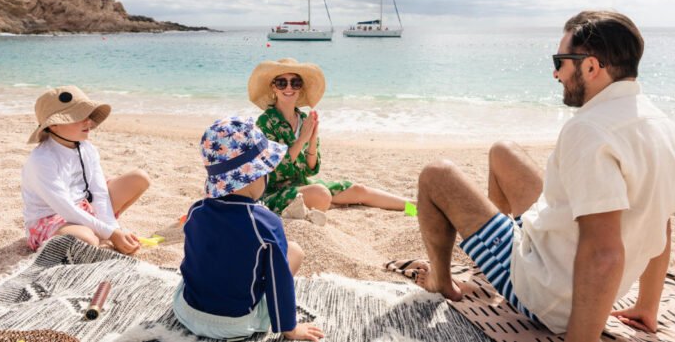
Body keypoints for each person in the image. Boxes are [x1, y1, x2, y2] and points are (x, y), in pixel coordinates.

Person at [413, 11, 675, 340]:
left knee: (436, 174)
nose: (556, 74)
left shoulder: (590, 131)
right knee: (503, 151)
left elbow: (603, 253)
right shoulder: (663, 127)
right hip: (563, 261)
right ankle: (493, 261)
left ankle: (441, 282)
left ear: (590, 66)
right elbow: (661, 221)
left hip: (549, 295)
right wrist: (647, 307)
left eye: (560, 61)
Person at [173, 117, 324, 341]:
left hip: (187, 312)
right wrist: (290, 328)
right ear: (255, 175)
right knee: (294, 251)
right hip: (235, 323)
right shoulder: (266, 222)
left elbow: (193, 259)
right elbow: (278, 281)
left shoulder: (196, 211)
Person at [248, 58, 408, 214]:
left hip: (303, 185)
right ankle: (330, 204)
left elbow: (311, 170)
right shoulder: (265, 122)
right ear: (274, 88)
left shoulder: (304, 119)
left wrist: (312, 141)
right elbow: (276, 169)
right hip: (274, 193)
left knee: (359, 190)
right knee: (321, 194)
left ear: (301, 88)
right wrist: (303, 138)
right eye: (282, 83)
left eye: (295, 83)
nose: (288, 87)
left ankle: (414, 207)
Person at [22, 86, 150, 254]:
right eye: (78, 117)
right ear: (53, 126)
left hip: (83, 205)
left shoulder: (87, 148)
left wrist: (112, 229)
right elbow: (65, 208)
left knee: (139, 178)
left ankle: (98, 233)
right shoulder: (42, 160)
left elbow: (99, 192)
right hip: (51, 218)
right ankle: (92, 235)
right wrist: (111, 234)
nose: (89, 122)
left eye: (88, 116)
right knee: (87, 239)